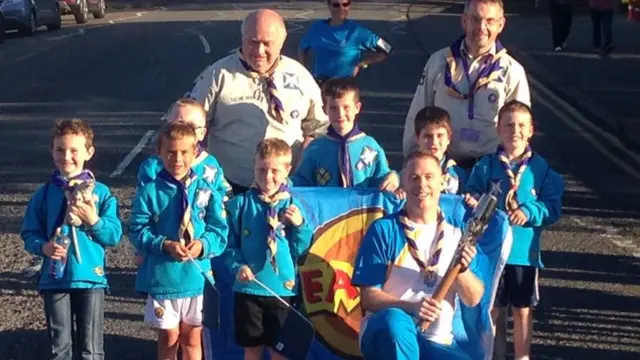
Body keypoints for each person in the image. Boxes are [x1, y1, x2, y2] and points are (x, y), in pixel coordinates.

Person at [351, 151, 485, 360]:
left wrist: (462, 271)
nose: (421, 184)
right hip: (388, 333)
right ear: (403, 185)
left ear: (442, 182)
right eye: (414, 178)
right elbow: (368, 298)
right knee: (395, 322)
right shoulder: (384, 229)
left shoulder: (457, 233)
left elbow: (473, 298)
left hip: (438, 341)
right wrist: (412, 307)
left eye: (429, 177)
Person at [185, 9, 329, 195]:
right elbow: (188, 128)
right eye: (253, 42)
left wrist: (301, 168)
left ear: (281, 43)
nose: (259, 51)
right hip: (230, 188)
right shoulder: (218, 75)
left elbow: (319, 127)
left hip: (286, 188)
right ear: (242, 39)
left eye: (267, 43)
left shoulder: (300, 76)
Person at [464, 100, 564, 360]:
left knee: (522, 309)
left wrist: (529, 212)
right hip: (491, 253)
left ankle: (522, 356)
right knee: (492, 309)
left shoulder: (541, 170)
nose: (514, 130)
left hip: (523, 255)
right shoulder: (486, 165)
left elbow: (552, 207)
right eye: (508, 124)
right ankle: (490, 355)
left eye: (521, 125)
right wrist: (475, 200)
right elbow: (471, 191)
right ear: (497, 128)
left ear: (531, 130)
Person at [20, 118, 123, 360]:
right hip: (54, 278)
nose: (66, 156)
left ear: (89, 152)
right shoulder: (44, 194)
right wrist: (43, 247)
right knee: (60, 348)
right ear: (51, 151)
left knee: (91, 348)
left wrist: (93, 220)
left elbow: (114, 235)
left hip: (89, 277)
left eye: (74, 150)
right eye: (60, 149)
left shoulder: (101, 193)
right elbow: (29, 232)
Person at [129, 121, 229, 360]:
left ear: (195, 152)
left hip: (197, 276)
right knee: (169, 338)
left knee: (193, 339)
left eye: (184, 152)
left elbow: (219, 229)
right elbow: (137, 230)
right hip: (164, 277)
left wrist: (203, 245)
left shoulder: (206, 190)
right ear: (159, 153)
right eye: (171, 152)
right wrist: (164, 244)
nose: (177, 159)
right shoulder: (150, 192)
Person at [402, 0, 530, 170]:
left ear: (501, 25)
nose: (482, 27)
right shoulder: (438, 62)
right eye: (475, 19)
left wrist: (517, 170)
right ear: (464, 21)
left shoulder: (512, 71)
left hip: (491, 169)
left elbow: (521, 127)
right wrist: (411, 161)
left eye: (489, 21)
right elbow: (418, 113)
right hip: (444, 166)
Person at [224, 138, 313, 360]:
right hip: (249, 289)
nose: (267, 176)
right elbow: (227, 244)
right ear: (253, 167)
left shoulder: (292, 205)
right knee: (252, 349)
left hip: (282, 289)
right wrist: (238, 266)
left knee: (280, 352)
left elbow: (300, 250)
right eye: (261, 169)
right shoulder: (241, 205)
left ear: (287, 170)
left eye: (274, 170)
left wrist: (300, 226)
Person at [290, 77, 399, 191]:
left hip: (361, 208)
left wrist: (392, 177)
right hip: (328, 208)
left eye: (346, 107)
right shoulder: (316, 148)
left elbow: (382, 178)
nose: (340, 114)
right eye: (333, 108)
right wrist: (285, 182)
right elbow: (302, 181)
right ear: (324, 110)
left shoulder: (370, 147)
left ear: (357, 108)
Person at [298, 0, 392, 84]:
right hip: (320, 84)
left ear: (349, 6)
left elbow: (387, 49)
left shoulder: (357, 31)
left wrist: (362, 63)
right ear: (329, 5)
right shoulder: (317, 28)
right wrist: (304, 73)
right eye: (336, 5)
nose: (341, 8)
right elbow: (302, 48)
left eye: (345, 4)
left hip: (345, 86)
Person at [414, 106, 468, 194]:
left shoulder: (460, 176)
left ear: (449, 138)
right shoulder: (407, 175)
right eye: (428, 136)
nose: (434, 142)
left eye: (440, 136)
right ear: (417, 138)